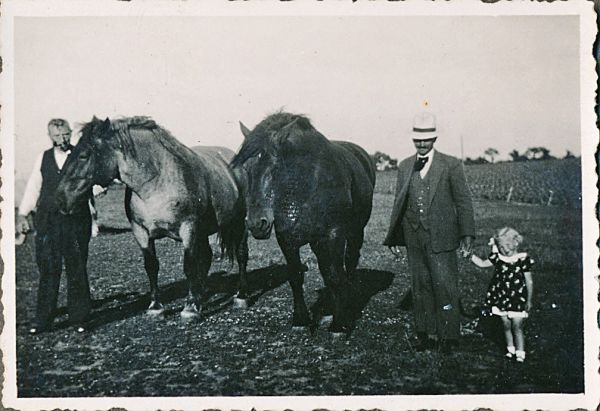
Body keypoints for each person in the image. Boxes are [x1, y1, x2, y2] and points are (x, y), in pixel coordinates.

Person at [383, 112, 475, 353]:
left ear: (434, 138)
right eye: (417, 140)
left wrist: (467, 234)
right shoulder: (404, 166)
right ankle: (425, 335)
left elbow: (463, 201)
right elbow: (399, 202)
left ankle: (448, 337)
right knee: (420, 285)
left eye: (426, 140)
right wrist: (394, 236)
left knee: (444, 285)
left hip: (442, 236)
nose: (422, 144)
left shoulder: (451, 164)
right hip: (414, 235)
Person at [16, 118, 96, 334]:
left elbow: (94, 183)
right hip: (48, 221)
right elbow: (34, 187)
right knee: (48, 269)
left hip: (76, 221)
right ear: (50, 136)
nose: (63, 139)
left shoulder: (82, 155)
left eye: (66, 135)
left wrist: (92, 194)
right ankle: (43, 320)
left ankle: (79, 318)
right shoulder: (43, 157)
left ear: (71, 133)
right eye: (57, 136)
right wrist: (23, 214)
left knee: (77, 268)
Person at [471, 228, 534, 363]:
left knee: (517, 325)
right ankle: (510, 349)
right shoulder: (499, 258)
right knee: (505, 324)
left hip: (518, 299)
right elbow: (482, 263)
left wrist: (529, 299)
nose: (504, 250)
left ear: (515, 244)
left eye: (507, 247)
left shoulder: (522, 259)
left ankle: (520, 353)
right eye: (501, 247)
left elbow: (529, 281)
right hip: (501, 298)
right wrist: (470, 256)